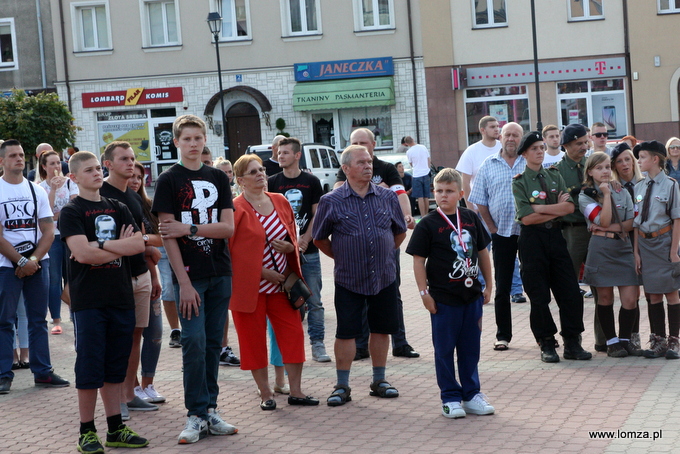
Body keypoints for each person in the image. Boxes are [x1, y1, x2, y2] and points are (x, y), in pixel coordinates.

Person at [152, 115, 237, 444]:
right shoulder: (168, 180)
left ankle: (210, 410)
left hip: (220, 271)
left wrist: (189, 228)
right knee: (193, 343)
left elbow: (227, 228)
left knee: (214, 344)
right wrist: (183, 284)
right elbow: (166, 235)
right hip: (190, 277)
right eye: (186, 138)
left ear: (204, 140)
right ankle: (195, 414)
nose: (193, 143)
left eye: (198, 138)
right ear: (176, 142)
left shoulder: (217, 176)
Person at [59, 150, 149, 452]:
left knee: (115, 366)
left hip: (120, 297)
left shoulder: (119, 206)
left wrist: (101, 245)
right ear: (74, 177)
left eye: (98, 168)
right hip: (89, 302)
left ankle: (115, 429)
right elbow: (82, 255)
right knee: (89, 366)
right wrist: (117, 247)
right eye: (89, 170)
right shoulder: (72, 212)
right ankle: (86, 430)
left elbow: (138, 244)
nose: (97, 173)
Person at [314, 144, 407, 406]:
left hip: (384, 276)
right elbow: (320, 238)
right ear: (346, 169)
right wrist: (344, 257)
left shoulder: (387, 197)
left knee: (381, 329)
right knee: (346, 333)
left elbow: (399, 231)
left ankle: (379, 380)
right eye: (361, 163)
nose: (368, 167)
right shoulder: (330, 201)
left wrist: (384, 252)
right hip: (348, 278)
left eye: (369, 162)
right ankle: (342, 386)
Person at [229, 153, 319, 410]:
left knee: (293, 336)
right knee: (252, 341)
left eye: (262, 170)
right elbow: (229, 252)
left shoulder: (280, 201)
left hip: (284, 287)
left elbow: (293, 235)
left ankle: (297, 391)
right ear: (240, 180)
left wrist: (291, 248)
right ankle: (266, 393)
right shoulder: (235, 208)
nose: (261, 175)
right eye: (253, 172)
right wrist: (260, 272)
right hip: (250, 289)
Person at [407, 168, 494, 419]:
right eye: (439, 191)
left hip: (472, 296)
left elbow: (483, 253)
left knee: (470, 348)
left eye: (449, 191)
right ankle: (450, 396)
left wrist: (489, 285)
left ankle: (471, 394)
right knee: (444, 349)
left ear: (461, 193)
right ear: (434, 193)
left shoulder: (470, 217)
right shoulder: (428, 224)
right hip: (443, 299)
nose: (444, 196)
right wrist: (424, 293)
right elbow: (418, 261)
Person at [334, 128, 417, 360]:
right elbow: (337, 191)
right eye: (355, 142)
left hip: (384, 244)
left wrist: (407, 216)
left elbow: (400, 194)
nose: (360, 145)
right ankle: (361, 346)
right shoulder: (347, 166)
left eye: (363, 142)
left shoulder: (387, 168)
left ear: (373, 144)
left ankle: (400, 343)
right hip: (356, 251)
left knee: (392, 294)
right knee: (358, 296)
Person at [512, 131, 592, 363]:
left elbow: (568, 209)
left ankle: (572, 342)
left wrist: (538, 209)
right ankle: (546, 343)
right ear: (525, 153)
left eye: (541, 147)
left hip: (556, 238)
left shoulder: (555, 176)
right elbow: (525, 218)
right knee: (538, 296)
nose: (539, 151)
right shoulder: (520, 181)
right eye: (534, 148)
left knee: (569, 292)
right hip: (532, 241)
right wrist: (550, 209)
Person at [0, 139, 70, 395]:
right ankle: (3, 374)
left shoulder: (36, 190)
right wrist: (19, 261)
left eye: (21, 155)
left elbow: (49, 229)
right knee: (4, 320)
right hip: (6, 265)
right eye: (13, 156)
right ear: (2, 161)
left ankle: (43, 371)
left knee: (38, 320)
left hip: (37, 262)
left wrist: (33, 260)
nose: (19, 159)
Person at [100, 141, 159, 417]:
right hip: (114, 277)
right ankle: (117, 403)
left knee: (136, 337)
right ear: (108, 164)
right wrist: (138, 243)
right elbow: (100, 242)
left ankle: (129, 393)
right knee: (117, 340)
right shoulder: (100, 195)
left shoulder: (135, 197)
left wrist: (150, 265)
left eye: (132, 158)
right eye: (123, 158)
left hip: (141, 275)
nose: (130, 163)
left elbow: (152, 238)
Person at [268, 137, 331, 362]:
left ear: (297, 155)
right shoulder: (273, 182)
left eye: (285, 152)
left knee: (313, 300)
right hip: (281, 253)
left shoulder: (311, 182)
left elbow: (317, 214)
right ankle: (289, 348)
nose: (279, 156)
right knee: (284, 301)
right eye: (278, 152)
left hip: (309, 252)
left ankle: (318, 344)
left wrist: (305, 239)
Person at [468, 122, 526, 351]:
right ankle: (503, 335)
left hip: (528, 233)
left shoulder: (528, 162)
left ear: (521, 139)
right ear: (501, 137)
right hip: (501, 234)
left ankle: (544, 336)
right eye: (508, 135)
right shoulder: (488, 164)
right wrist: (491, 228)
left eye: (516, 135)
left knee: (535, 283)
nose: (511, 139)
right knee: (502, 287)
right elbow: (479, 199)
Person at [579, 152, 640, 357]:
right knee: (604, 298)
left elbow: (633, 223)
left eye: (607, 167)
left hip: (623, 247)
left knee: (630, 298)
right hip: (601, 249)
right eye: (599, 168)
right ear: (590, 171)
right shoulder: (585, 195)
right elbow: (602, 221)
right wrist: (605, 195)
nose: (604, 171)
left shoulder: (621, 190)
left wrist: (611, 228)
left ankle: (625, 339)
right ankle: (612, 342)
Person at [555, 123, 606, 352]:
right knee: (569, 289)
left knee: (601, 286)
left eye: (586, 142)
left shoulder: (593, 165)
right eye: (579, 144)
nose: (584, 147)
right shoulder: (557, 171)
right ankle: (572, 339)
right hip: (572, 231)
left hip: (596, 230)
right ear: (565, 145)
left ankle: (604, 339)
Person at [633, 141, 680, 359]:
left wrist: (674, 251)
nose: (639, 161)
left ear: (655, 159)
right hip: (645, 244)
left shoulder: (670, 185)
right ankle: (658, 339)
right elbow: (635, 223)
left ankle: (674, 341)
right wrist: (636, 252)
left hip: (663, 242)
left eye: (642, 157)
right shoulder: (639, 186)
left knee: (671, 293)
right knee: (652, 295)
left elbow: (677, 219)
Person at [127, 161, 167, 404]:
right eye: (131, 176)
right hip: (133, 276)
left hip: (151, 276)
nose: (135, 181)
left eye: (139, 177)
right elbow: (140, 246)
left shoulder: (148, 205)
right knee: (131, 335)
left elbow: (160, 239)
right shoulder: (116, 204)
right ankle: (131, 387)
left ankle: (148, 384)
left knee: (155, 332)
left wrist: (144, 241)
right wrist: (146, 244)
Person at [38, 150, 78, 335]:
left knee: (72, 276)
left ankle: (75, 313)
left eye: (58, 163)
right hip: (51, 237)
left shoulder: (70, 183)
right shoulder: (39, 187)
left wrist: (56, 215)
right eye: (52, 164)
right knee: (54, 279)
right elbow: (44, 213)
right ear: (44, 167)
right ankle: (56, 319)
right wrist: (53, 190)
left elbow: (73, 209)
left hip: (70, 235)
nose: (56, 167)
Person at [610, 142, 644, 353]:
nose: (625, 164)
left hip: (645, 240)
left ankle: (636, 336)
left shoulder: (644, 183)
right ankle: (629, 337)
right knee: (630, 292)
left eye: (628, 159)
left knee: (643, 292)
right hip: (621, 241)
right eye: (620, 161)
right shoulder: (614, 187)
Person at [456, 116, 501, 210]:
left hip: (501, 206)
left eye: (497, 126)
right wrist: (471, 208)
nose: (497, 129)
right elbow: (465, 183)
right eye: (492, 127)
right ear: (483, 130)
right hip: (480, 208)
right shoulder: (471, 151)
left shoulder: (503, 148)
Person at [405, 136, 431, 218]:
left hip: (417, 175)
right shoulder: (423, 147)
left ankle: (423, 215)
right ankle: (427, 214)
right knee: (426, 196)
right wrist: (428, 168)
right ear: (413, 140)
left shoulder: (409, 152)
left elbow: (411, 164)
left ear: (407, 144)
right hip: (426, 173)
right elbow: (429, 159)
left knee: (420, 197)